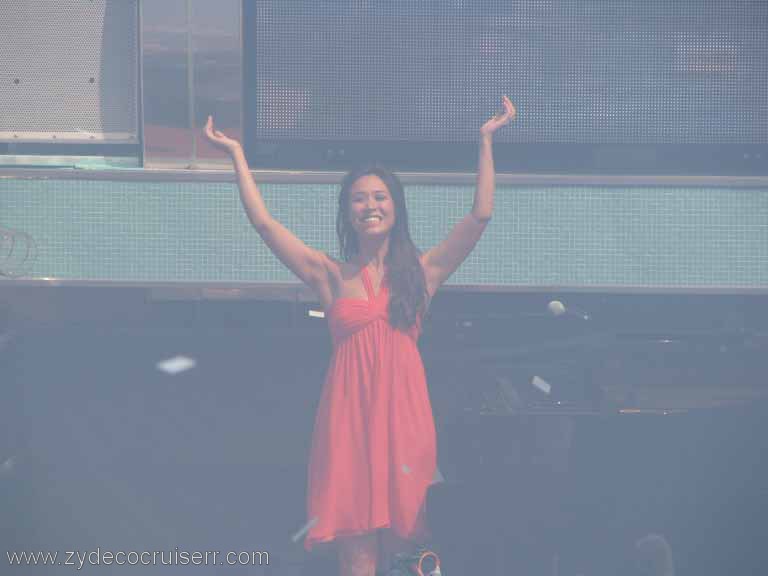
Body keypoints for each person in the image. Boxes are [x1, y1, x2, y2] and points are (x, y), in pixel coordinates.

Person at [203, 96, 516, 576]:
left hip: (405, 420)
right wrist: (238, 156)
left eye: (379, 197)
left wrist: (486, 141)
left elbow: (480, 218)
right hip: (349, 421)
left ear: (395, 207)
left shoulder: (422, 272)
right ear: (348, 212)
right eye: (359, 198)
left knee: (409, 546)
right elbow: (264, 224)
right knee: (357, 556)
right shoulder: (329, 276)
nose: (370, 205)